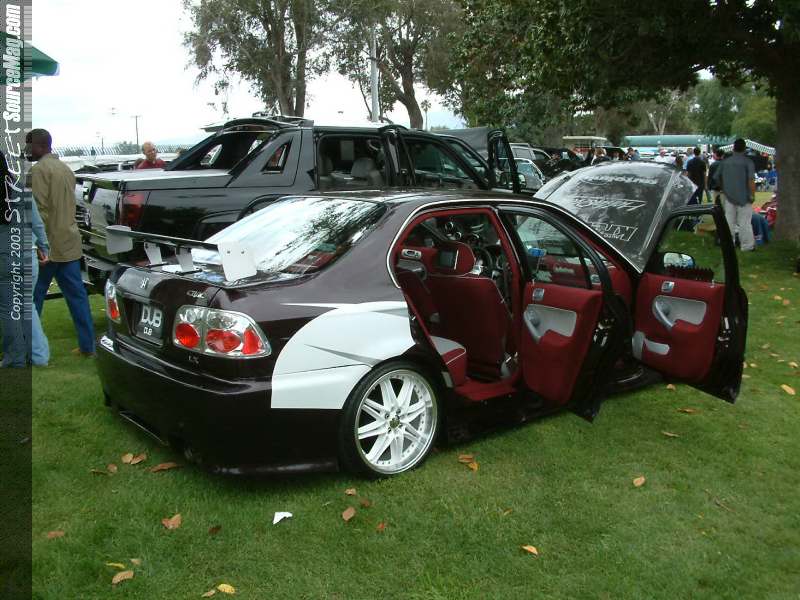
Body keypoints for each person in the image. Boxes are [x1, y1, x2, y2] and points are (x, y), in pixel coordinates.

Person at [26, 128, 96, 356]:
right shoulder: (66, 169)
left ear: (39, 146)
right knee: (78, 297)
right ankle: (88, 346)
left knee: (32, 299)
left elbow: (40, 212)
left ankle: (30, 349)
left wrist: (38, 244)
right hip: (69, 243)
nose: (26, 150)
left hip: (48, 246)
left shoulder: (38, 170)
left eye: (28, 145)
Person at [0, 151, 50, 367]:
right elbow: (36, 222)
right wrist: (44, 246)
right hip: (27, 253)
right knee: (27, 306)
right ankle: (39, 356)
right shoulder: (20, 187)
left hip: (4, 257)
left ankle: (16, 357)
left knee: (8, 309)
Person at [719, 138, 756, 252]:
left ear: (733, 148)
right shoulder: (748, 162)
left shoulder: (726, 162)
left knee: (729, 220)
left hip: (730, 195)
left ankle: (728, 244)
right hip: (744, 195)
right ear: (744, 149)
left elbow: (720, 178)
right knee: (744, 222)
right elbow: (750, 180)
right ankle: (747, 245)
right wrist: (752, 195)